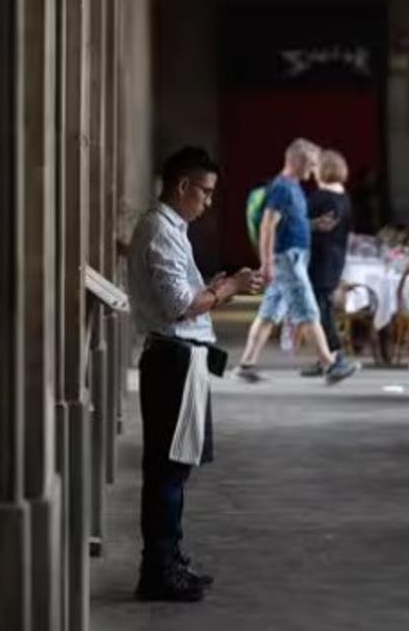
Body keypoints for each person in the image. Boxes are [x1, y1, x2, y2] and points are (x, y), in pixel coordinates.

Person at [126, 146, 262, 602]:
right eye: (204, 192)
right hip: (173, 361)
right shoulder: (160, 231)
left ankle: (171, 557)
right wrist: (229, 288)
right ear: (182, 186)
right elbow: (179, 305)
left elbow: (186, 294)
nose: (208, 202)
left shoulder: (172, 229)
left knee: (176, 469)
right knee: (167, 469)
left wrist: (217, 288)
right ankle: (158, 569)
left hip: (182, 358)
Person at [237, 139, 358, 385]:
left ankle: (246, 365)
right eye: (311, 164)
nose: (313, 170)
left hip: (292, 257)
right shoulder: (282, 187)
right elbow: (268, 225)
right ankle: (329, 364)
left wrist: (314, 225)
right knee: (308, 309)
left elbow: (292, 222)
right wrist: (267, 263)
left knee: (269, 313)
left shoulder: (293, 187)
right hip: (287, 258)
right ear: (297, 161)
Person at [301, 149, 353, 377]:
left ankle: (334, 355)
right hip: (336, 257)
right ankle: (325, 358)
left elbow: (306, 225)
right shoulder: (344, 197)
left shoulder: (321, 197)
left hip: (319, 259)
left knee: (321, 310)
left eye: (315, 167)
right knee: (323, 307)